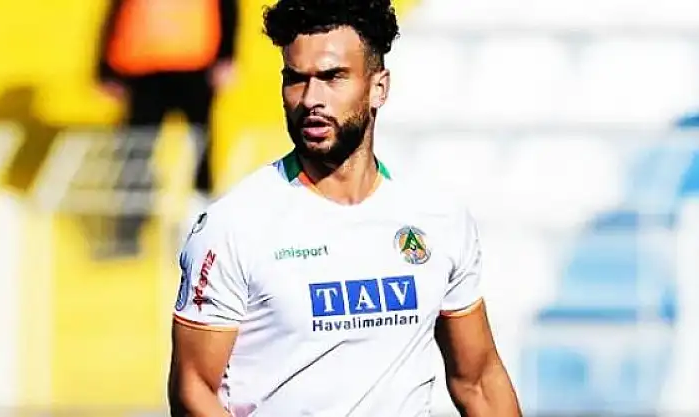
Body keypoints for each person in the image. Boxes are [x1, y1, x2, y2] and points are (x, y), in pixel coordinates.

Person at [168, 0, 522, 415]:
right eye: (296, 80)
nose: (310, 99)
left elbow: (478, 381)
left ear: (379, 88)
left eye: (332, 77)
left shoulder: (437, 218)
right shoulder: (233, 225)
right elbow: (193, 391)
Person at [95, 0, 238, 255]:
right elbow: (118, 9)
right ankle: (129, 232)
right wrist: (105, 67)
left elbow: (227, 5)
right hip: (143, 65)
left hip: (195, 61)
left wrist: (226, 54)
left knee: (199, 149)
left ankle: (202, 229)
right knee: (137, 151)